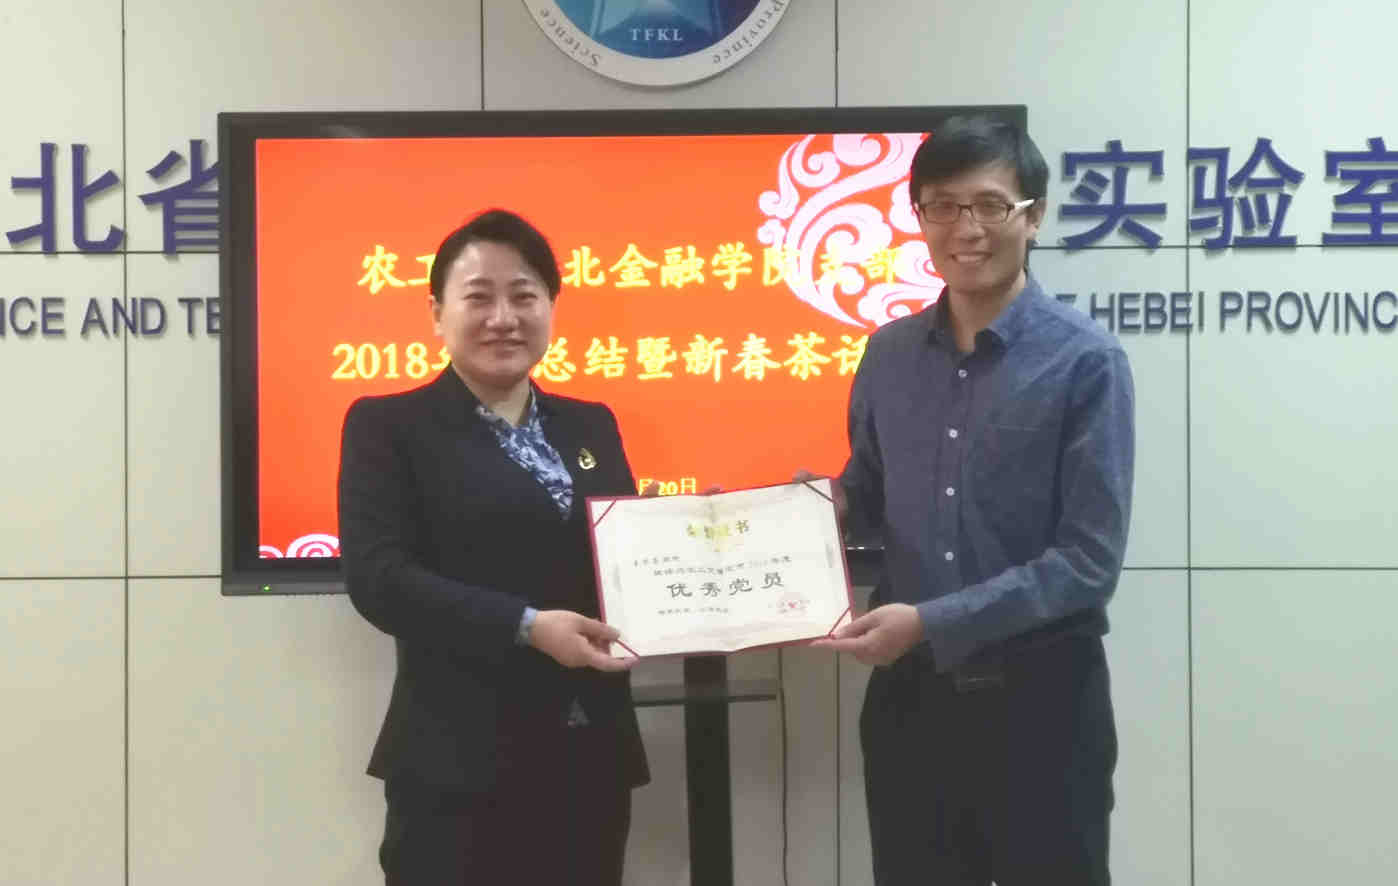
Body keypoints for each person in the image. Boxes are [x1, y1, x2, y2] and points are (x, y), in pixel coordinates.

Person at [810, 116, 1135, 884]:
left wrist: (931, 621)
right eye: (943, 206)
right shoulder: (888, 354)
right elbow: (868, 489)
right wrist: (802, 513)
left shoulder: (1085, 360)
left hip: (1043, 707)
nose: (966, 229)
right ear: (919, 215)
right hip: (910, 707)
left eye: (990, 205)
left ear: (1035, 215)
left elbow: (1087, 563)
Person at [338, 209, 648, 885]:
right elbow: (379, 579)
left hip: (589, 756)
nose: (503, 318)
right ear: (437, 312)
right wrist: (528, 626)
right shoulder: (388, 426)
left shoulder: (591, 424)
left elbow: (619, 560)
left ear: (551, 307)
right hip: (457, 766)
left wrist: (698, 537)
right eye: (479, 297)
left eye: (524, 295)